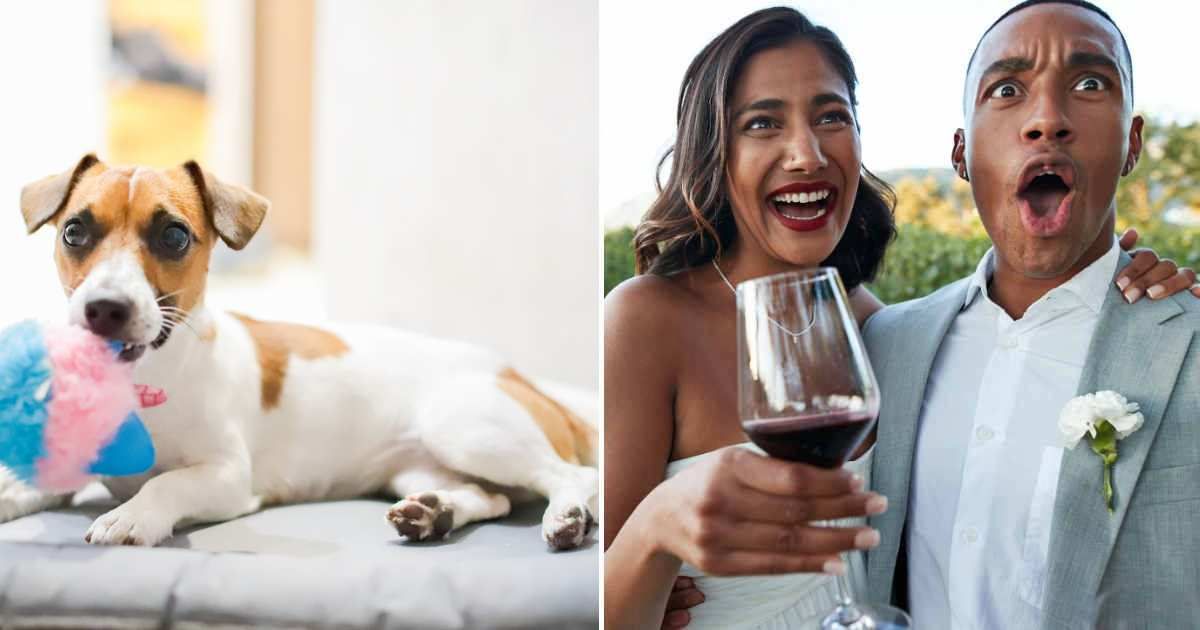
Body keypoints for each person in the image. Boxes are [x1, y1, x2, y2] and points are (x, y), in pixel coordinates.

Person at [603, 5, 1197, 629]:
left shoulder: (875, 329)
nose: (805, 153)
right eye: (762, 123)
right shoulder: (647, 319)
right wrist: (653, 530)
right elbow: (610, 586)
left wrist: (1153, 295)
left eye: (831, 116)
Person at [861, 1, 1200, 628]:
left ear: (1132, 143)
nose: (1047, 119)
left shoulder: (1191, 341)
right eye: (1007, 89)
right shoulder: (885, 343)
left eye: (1090, 83)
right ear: (960, 153)